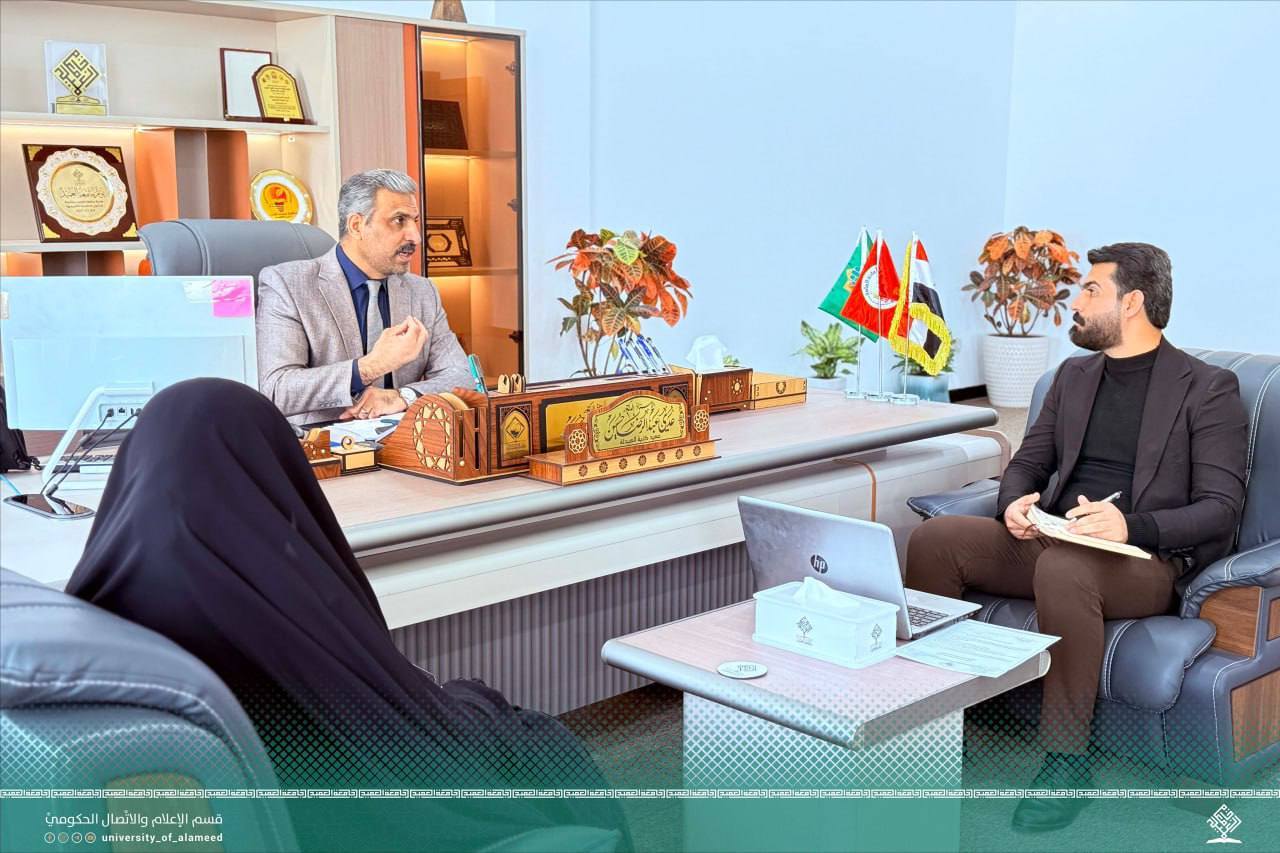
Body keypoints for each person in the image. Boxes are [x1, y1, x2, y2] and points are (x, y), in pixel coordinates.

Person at [65, 378, 630, 852]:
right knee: (534, 738)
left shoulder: (113, 579)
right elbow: (378, 723)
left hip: (269, 799)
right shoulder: (262, 588)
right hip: (343, 803)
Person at [905, 243, 1247, 832]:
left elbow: (1221, 509)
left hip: (1141, 558)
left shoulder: (1207, 388)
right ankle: (930, 721)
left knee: (1065, 569)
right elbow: (1028, 462)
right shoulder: (1074, 375)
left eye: (1090, 290)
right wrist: (1015, 503)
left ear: (1132, 302)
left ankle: (1068, 760)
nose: (1076, 302)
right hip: (1057, 538)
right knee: (937, 540)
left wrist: (1131, 524)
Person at [257, 168, 475, 425]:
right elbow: (276, 389)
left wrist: (402, 396)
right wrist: (369, 367)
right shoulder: (288, 284)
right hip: (323, 443)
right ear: (357, 225)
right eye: (399, 220)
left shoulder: (423, 292)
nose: (415, 237)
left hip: (405, 442)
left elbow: (461, 376)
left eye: (414, 221)